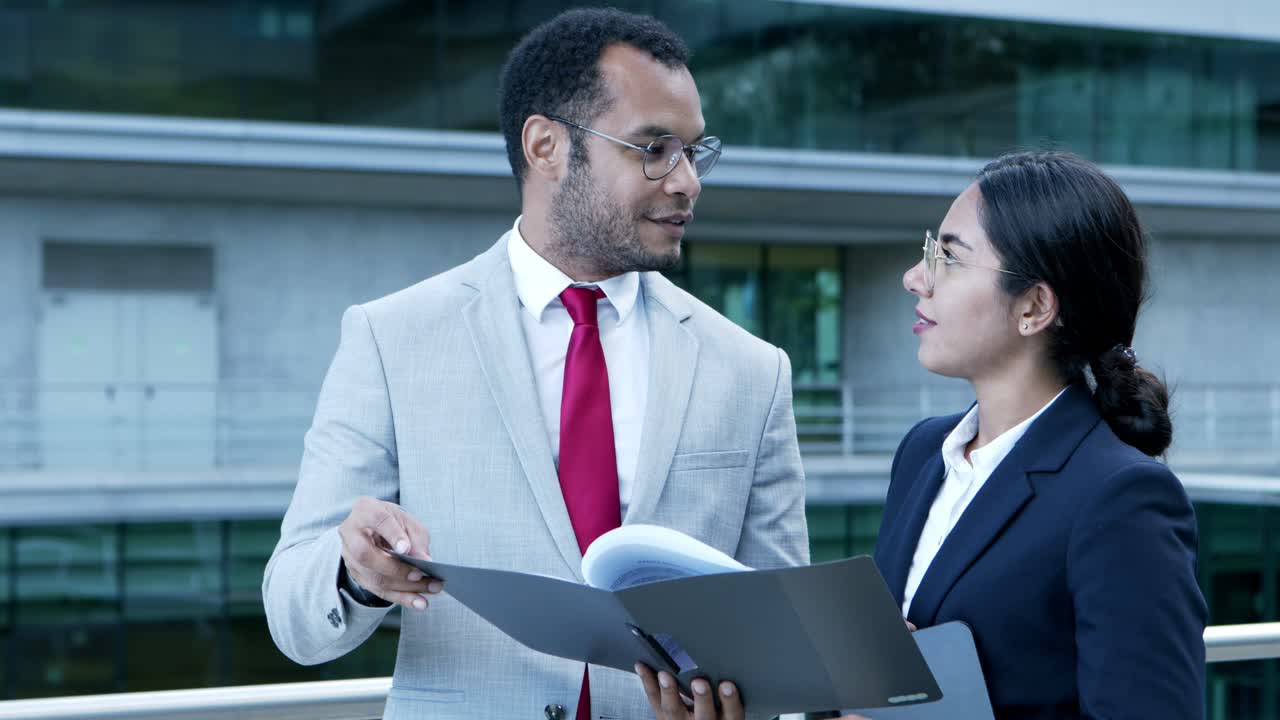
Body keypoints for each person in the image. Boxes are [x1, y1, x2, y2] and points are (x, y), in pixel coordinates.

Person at [261, 7, 809, 720]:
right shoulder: (390, 338)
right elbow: (292, 614)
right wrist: (356, 574)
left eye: (693, 152)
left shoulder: (752, 371)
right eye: (653, 148)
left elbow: (780, 639)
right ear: (546, 145)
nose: (686, 183)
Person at [640, 151, 1207, 720]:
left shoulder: (1122, 498)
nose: (915, 278)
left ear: (1034, 306)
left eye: (949, 258)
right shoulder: (923, 453)